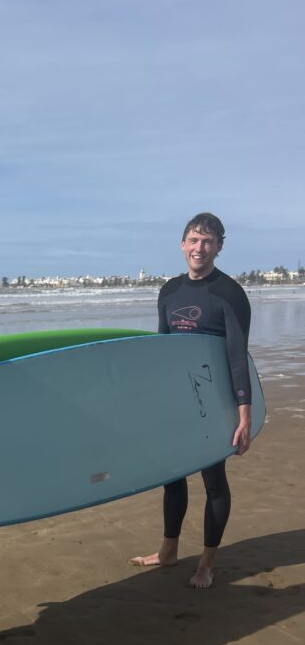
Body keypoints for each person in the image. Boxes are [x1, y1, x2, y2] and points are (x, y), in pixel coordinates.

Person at [129, 212, 253, 588]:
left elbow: (236, 355)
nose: (200, 248)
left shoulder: (230, 293)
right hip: (177, 402)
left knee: (213, 480)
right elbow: (164, 350)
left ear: (219, 247)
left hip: (215, 402)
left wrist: (243, 414)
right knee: (172, 477)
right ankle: (168, 551)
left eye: (208, 241)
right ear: (183, 244)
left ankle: (207, 563)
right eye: (194, 240)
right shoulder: (169, 291)